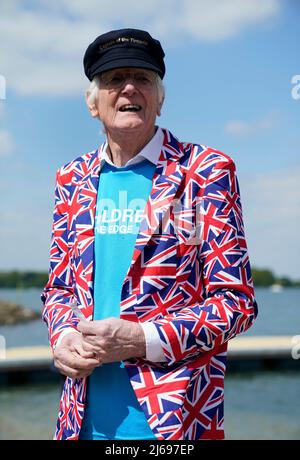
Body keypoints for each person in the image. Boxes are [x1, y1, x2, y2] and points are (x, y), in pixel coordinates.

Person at [41, 28, 258, 441]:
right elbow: (58, 289)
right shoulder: (70, 178)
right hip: (80, 423)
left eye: (142, 78)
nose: (128, 88)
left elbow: (236, 303)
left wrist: (141, 339)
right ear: (92, 103)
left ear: (160, 98)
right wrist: (64, 335)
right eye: (113, 78)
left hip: (175, 425)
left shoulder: (206, 171)